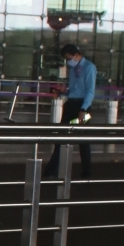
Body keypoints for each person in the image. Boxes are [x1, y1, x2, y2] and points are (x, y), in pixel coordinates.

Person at [45, 43, 96, 180]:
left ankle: (86, 172)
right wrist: (64, 91)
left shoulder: (89, 68)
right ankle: (51, 170)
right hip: (71, 105)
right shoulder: (73, 69)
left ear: (77, 55)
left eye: (69, 58)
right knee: (61, 137)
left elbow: (90, 91)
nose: (68, 62)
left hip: (82, 108)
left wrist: (83, 109)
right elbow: (74, 89)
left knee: (83, 140)